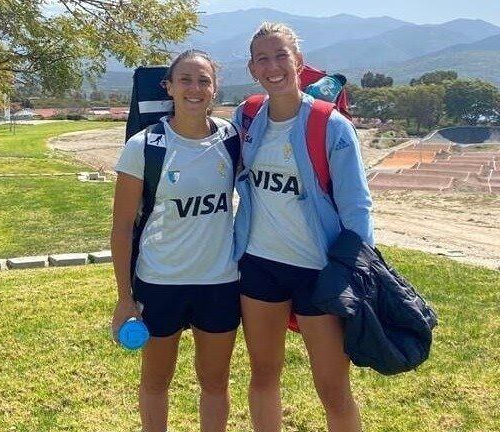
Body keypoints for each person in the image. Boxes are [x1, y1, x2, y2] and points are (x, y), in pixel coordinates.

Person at [232, 23, 374, 432]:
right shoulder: (247, 116)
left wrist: (353, 274)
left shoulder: (331, 126)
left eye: (281, 56)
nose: (273, 66)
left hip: (320, 270)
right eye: (263, 58)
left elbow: (357, 208)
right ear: (252, 67)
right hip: (259, 263)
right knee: (263, 376)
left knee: (332, 387)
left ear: (298, 62)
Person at [110, 50, 241, 432]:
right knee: (156, 380)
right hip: (160, 281)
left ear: (214, 89)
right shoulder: (144, 146)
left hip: (219, 282)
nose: (195, 88)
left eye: (204, 80)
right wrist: (123, 297)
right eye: (185, 79)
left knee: (215, 383)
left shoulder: (231, 139)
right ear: (168, 86)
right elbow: (121, 227)